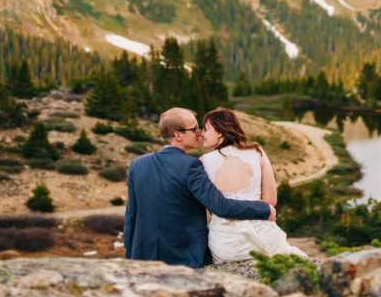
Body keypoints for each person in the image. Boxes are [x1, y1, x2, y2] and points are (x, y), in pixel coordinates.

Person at [123, 106, 275, 268]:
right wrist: (263, 209)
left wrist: (130, 258)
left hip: (142, 257)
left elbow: (131, 216)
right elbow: (220, 207)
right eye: (194, 129)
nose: (199, 133)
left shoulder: (137, 165)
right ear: (178, 135)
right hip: (183, 258)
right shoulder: (191, 166)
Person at [200, 107, 307, 262]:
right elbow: (270, 202)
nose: (202, 133)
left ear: (219, 132)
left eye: (205, 129)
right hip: (265, 239)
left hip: (227, 246)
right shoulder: (257, 153)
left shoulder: (204, 162)